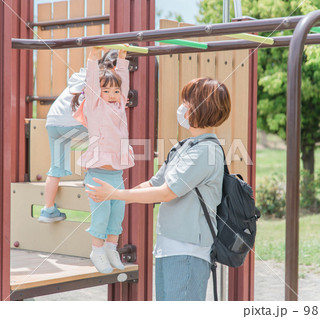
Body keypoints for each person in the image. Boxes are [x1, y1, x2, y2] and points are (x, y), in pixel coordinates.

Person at [86, 77, 231, 300]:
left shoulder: (206, 152)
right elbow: (153, 185)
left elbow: (166, 192)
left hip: (188, 252)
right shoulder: (183, 147)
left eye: (187, 102)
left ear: (201, 108)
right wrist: (109, 200)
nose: (182, 107)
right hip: (168, 247)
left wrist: (115, 194)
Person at [39, 50, 119, 223]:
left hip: (53, 121)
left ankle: (48, 210)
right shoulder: (101, 78)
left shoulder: (81, 74)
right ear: (113, 67)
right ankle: (90, 174)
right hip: (74, 121)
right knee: (103, 135)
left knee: (56, 167)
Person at [79, 46, 134, 274]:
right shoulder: (95, 106)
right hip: (98, 175)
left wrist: (122, 61)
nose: (112, 95)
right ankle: (97, 250)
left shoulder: (119, 105)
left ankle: (111, 248)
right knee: (101, 216)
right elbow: (92, 85)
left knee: (116, 216)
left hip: (116, 175)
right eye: (106, 91)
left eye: (115, 91)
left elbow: (125, 86)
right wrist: (93, 59)